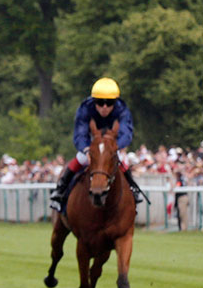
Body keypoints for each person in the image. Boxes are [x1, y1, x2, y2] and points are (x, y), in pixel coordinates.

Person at [50, 77, 142, 211]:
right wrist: (86, 150)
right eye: (100, 102)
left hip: (111, 144)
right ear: (94, 101)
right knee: (80, 158)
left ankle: (133, 189)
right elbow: (80, 134)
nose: (104, 107)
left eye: (109, 103)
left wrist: (113, 147)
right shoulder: (85, 109)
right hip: (91, 143)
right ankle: (60, 190)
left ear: (115, 102)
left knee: (120, 159)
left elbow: (126, 133)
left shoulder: (122, 110)